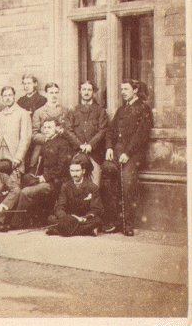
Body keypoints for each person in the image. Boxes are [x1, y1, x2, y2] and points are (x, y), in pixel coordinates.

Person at [101, 80, 153, 236]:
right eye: (121, 89)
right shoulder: (121, 110)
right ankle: (114, 221)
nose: (123, 92)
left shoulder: (144, 108)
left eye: (126, 89)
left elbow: (141, 135)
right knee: (108, 178)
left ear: (135, 90)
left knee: (127, 184)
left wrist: (128, 153)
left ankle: (127, 224)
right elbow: (110, 131)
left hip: (133, 154)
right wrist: (109, 147)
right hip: (117, 152)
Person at [13, 118, 73, 228]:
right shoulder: (46, 143)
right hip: (45, 180)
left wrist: (44, 178)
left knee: (26, 192)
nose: (46, 130)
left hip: (55, 183)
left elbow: (62, 168)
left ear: (58, 129)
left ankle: (17, 223)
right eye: (44, 127)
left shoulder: (63, 144)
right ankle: (26, 219)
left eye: (49, 127)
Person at [46, 155, 103, 237]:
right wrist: (67, 218)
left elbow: (96, 209)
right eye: (72, 171)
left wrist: (83, 218)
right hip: (69, 218)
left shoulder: (92, 187)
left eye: (77, 171)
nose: (74, 174)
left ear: (83, 171)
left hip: (83, 219)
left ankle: (60, 230)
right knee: (51, 219)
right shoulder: (65, 186)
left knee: (97, 221)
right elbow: (60, 207)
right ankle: (86, 231)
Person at [66, 81, 109, 186]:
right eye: (84, 89)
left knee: (95, 186)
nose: (86, 92)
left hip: (94, 155)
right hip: (77, 153)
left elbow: (102, 130)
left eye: (89, 90)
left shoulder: (100, 111)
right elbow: (68, 130)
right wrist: (80, 145)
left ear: (93, 92)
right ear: (80, 91)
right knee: (76, 185)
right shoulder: (73, 111)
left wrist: (91, 145)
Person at [0, 86, 32, 177]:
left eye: (10, 95)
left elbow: (25, 139)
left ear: (14, 96)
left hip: (14, 154)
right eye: (5, 96)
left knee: (13, 182)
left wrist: (18, 158)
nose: (7, 98)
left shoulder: (22, 113)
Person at [30, 82, 69, 167]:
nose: (54, 95)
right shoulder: (39, 112)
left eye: (56, 93)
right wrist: (47, 138)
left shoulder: (65, 111)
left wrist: (62, 131)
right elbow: (34, 135)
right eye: (51, 93)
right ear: (46, 94)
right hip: (43, 148)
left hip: (61, 148)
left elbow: (68, 130)